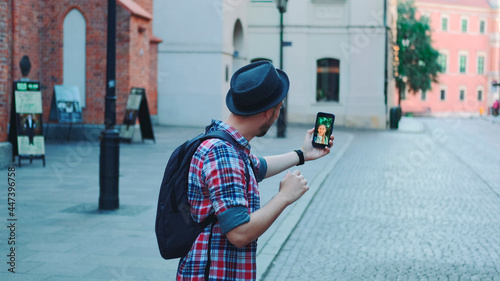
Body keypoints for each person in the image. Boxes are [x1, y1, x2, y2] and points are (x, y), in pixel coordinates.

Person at [177, 61, 334, 280]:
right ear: (268, 113)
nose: (280, 113)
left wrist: (302, 154)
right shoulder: (224, 154)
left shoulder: (227, 141)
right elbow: (239, 233)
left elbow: (257, 167)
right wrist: (284, 196)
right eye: (280, 108)